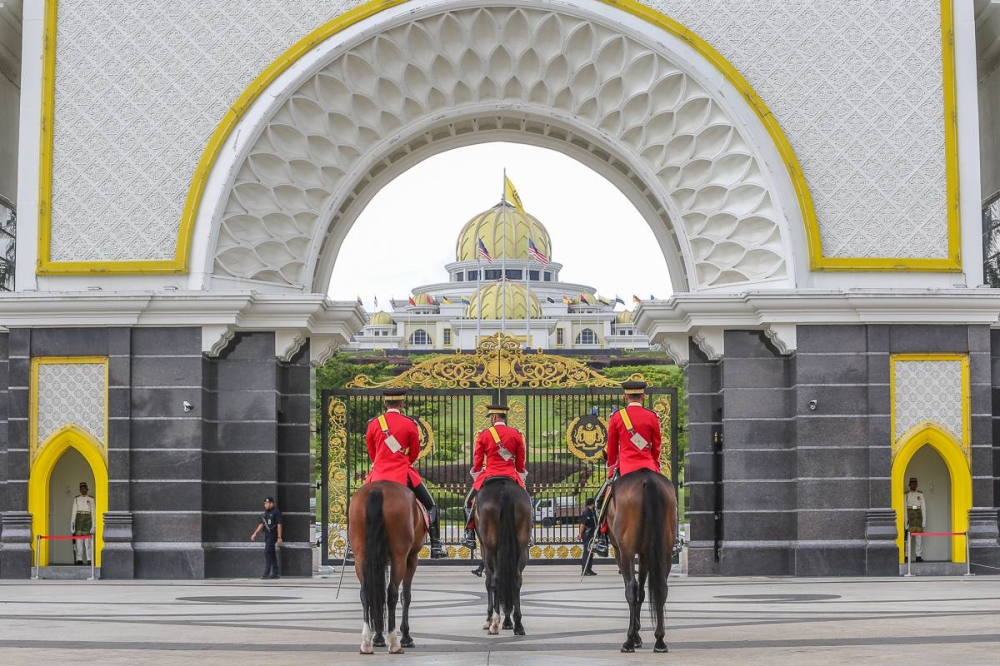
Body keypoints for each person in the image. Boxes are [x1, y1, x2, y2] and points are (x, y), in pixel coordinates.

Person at [365, 388, 447, 558]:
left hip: (378, 474)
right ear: (401, 404)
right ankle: (436, 546)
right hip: (402, 473)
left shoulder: (374, 423)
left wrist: (381, 462)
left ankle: (352, 545)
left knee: (356, 504)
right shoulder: (410, 424)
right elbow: (414, 452)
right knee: (431, 505)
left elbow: (371, 452)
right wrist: (403, 461)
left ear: (385, 403)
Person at [592, 380, 661, 557]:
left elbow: (611, 448)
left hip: (626, 468)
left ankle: (601, 538)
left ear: (625, 396)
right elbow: (657, 446)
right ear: (643, 396)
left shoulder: (617, 417)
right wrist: (655, 465)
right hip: (649, 466)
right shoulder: (652, 416)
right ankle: (673, 539)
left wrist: (611, 468)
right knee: (669, 499)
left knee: (599, 501)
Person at [462, 404, 528, 557]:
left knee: (467, 503)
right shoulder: (516, 434)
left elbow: (478, 459)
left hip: (490, 474)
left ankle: (469, 533)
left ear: (493, 417)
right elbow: (520, 460)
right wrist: (518, 471)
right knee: (526, 502)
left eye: (490, 418)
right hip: (511, 475)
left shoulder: (485, 434)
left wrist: (477, 471)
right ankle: (527, 534)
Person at [250, 496, 282, 578]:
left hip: (273, 535)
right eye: (264, 503)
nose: (265, 505)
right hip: (267, 535)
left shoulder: (276, 512)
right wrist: (255, 533)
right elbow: (262, 524)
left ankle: (266, 573)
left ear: (271, 503)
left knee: (267, 552)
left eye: (266, 503)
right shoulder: (266, 513)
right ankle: (275, 573)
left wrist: (279, 537)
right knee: (271, 553)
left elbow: (279, 525)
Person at [70, 481, 95, 565]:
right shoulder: (76, 499)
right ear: (79, 490)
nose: (83, 490)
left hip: (88, 520)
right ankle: (79, 559)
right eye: (81, 489)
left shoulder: (91, 499)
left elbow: (93, 513)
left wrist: (93, 525)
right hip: (79, 519)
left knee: (88, 541)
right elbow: (74, 512)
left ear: (87, 489)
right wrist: (72, 524)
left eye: (84, 488)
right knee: (78, 541)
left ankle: (89, 559)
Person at [905, 477, 927, 562]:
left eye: (915, 484)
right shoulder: (906, 495)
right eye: (912, 484)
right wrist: (905, 520)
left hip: (918, 518)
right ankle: (906, 555)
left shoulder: (920, 495)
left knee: (919, 538)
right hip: (910, 518)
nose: (914, 485)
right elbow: (904, 509)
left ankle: (918, 555)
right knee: (908, 538)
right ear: (909, 485)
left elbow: (923, 508)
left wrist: (924, 520)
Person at [579, 497, 598, 576]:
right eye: (594, 503)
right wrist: (580, 534)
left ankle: (589, 569)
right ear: (592, 503)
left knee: (591, 553)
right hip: (587, 535)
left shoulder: (592, 511)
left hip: (592, 534)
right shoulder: (586, 512)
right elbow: (582, 525)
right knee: (587, 552)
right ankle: (585, 570)